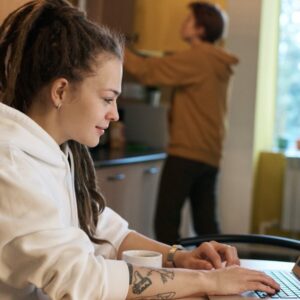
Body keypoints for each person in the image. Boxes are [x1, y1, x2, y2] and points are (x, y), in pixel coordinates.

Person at [0, 1, 279, 299]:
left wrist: (179, 257)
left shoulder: (55, 152)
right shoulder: (12, 165)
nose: (115, 114)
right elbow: (82, 280)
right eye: (108, 99)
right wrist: (206, 281)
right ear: (61, 91)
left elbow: (103, 228)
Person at [124, 2, 239, 244]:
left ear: (200, 29)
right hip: (210, 153)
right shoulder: (217, 61)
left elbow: (147, 71)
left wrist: (113, 44)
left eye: (189, 20)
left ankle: (174, 275)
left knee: (165, 222)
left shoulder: (198, 58)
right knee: (206, 224)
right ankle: (222, 271)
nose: (183, 24)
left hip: (186, 152)